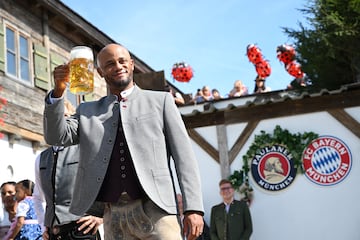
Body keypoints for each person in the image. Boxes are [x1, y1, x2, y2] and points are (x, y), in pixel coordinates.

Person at [43, 43, 204, 240]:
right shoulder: (87, 111)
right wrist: (58, 92)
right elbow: (55, 137)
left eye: (122, 61)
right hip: (114, 215)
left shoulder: (160, 101)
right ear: (100, 72)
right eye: (110, 64)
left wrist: (193, 209)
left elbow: (184, 159)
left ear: (132, 64)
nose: (118, 66)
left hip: (158, 211)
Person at [33, 144, 103, 240]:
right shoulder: (41, 158)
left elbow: (105, 183)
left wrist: (100, 217)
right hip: (53, 234)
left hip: (81, 230)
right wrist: (42, 226)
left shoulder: (85, 150)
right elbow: (37, 197)